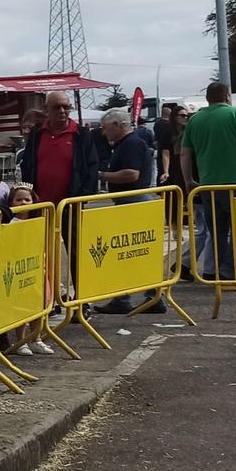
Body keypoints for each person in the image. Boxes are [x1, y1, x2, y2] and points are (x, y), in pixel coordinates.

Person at [180, 82, 236, 283]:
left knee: (216, 231)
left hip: (209, 185)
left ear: (207, 98)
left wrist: (189, 180)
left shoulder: (194, 120)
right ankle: (230, 269)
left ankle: (212, 269)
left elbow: (185, 153)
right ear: (227, 96)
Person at [92, 107, 163, 315]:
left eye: (105, 129)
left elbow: (132, 174)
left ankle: (141, 296)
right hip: (135, 201)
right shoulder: (130, 143)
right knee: (135, 252)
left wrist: (101, 175)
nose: (104, 134)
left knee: (132, 252)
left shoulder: (130, 144)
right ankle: (143, 296)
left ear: (117, 125)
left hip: (133, 201)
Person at [18, 91, 96, 209]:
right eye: (56, 107)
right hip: (39, 204)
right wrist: (28, 192)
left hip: (71, 205)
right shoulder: (37, 133)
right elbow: (27, 163)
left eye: (66, 107)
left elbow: (92, 165)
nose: (62, 111)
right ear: (46, 109)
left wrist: (84, 195)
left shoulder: (83, 135)